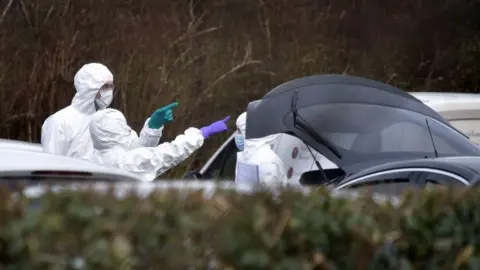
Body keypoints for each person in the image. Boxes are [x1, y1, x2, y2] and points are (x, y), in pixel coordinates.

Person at [41, 63, 163, 160]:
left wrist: (151, 129)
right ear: (89, 88)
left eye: (111, 86)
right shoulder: (60, 122)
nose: (109, 92)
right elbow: (51, 167)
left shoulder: (109, 120)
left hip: (105, 189)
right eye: (105, 87)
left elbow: (134, 153)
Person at [89, 108, 230, 181]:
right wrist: (201, 133)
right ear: (118, 131)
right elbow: (169, 153)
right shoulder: (126, 163)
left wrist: (152, 128)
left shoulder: (91, 160)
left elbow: (136, 153)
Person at [234, 112, 287, 186]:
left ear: (247, 132)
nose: (236, 135)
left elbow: (267, 195)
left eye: (239, 131)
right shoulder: (246, 156)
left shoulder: (268, 160)